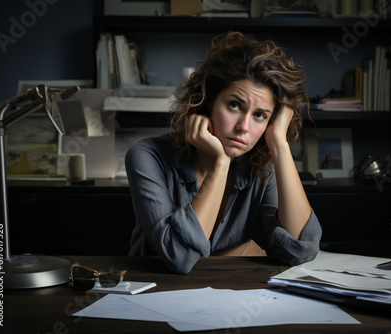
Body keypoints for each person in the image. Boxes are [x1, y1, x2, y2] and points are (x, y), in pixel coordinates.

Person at [125, 32, 322, 274]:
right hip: (150, 294)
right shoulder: (146, 156)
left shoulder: (261, 166)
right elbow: (179, 257)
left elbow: (301, 251)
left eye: (260, 115)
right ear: (208, 102)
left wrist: (279, 143)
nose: (243, 127)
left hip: (229, 295)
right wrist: (221, 162)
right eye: (234, 105)